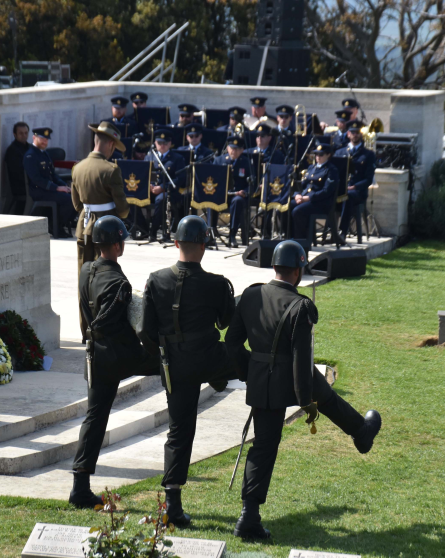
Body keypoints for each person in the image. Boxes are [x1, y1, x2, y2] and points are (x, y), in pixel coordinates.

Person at [226, 240, 382, 540]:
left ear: (274, 267)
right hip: (289, 379)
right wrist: (305, 402)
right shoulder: (301, 307)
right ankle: (361, 432)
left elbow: (232, 343)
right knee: (316, 396)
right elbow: (301, 362)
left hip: (265, 382)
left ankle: (361, 432)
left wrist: (252, 372)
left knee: (265, 445)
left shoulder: (250, 295)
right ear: (298, 271)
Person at [138, 215, 238, 526]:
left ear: (177, 242)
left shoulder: (155, 280)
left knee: (179, 431)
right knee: (249, 364)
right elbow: (226, 323)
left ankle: (172, 502)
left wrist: (166, 351)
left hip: (176, 364)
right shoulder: (217, 284)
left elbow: (146, 330)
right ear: (204, 246)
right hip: (209, 358)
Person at [69, 215, 159, 508]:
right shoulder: (119, 282)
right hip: (115, 356)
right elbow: (116, 325)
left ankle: (80, 486)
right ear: (117, 245)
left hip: (94, 355)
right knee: (169, 362)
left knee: (94, 419)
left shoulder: (85, 270)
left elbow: (88, 314)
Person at [71, 121, 130, 341]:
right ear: (110, 145)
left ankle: (85, 330)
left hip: (83, 230)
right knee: (106, 279)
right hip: (105, 232)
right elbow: (122, 211)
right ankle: (102, 330)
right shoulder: (111, 170)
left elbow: (77, 205)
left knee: (83, 281)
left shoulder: (78, 168)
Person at [23, 126, 76, 238]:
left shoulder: (44, 154)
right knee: (68, 200)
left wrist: (64, 185)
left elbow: (53, 175)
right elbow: (37, 179)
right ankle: (55, 226)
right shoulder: (30, 155)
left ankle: (60, 224)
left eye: (46, 139)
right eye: (42, 139)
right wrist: (56, 188)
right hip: (39, 190)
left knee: (76, 196)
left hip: (49, 190)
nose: (44, 141)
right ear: (34, 138)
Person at [287, 143, 339, 240]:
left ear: (328, 155)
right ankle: (289, 236)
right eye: (316, 154)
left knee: (297, 211)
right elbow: (301, 185)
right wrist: (297, 195)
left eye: (321, 155)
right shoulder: (312, 168)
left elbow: (326, 191)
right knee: (285, 207)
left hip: (320, 202)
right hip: (304, 198)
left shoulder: (331, 170)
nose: (317, 157)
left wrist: (308, 198)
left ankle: (301, 240)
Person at [142, 129, 186, 241]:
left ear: (170, 143)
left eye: (165, 143)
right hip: (150, 190)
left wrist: (162, 188)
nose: (162, 145)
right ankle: (143, 228)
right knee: (132, 198)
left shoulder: (177, 158)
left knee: (161, 200)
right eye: (159, 143)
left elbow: (180, 179)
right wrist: (149, 186)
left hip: (168, 192)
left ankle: (154, 231)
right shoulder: (149, 157)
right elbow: (143, 175)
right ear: (155, 143)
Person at [334, 120, 376, 237]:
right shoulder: (339, 152)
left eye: (357, 132)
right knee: (329, 194)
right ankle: (331, 230)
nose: (355, 134)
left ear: (361, 134)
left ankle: (342, 232)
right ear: (348, 134)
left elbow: (368, 179)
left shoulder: (368, 155)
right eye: (352, 132)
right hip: (341, 189)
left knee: (347, 196)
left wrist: (355, 186)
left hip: (357, 192)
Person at [209, 135, 252, 248]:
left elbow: (253, 183)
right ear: (227, 148)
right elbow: (212, 179)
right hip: (220, 194)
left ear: (242, 150)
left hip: (237, 196)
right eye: (232, 148)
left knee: (238, 201)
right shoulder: (219, 160)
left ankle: (232, 234)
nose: (234, 151)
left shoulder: (246, 163)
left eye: (237, 149)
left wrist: (245, 192)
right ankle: (210, 233)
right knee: (210, 200)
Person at [4, 121, 31, 214]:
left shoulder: (31, 148)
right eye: (20, 133)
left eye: (26, 133)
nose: (24, 135)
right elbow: (18, 174)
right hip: (21, 187)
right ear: (14, 134)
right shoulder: (12, 151)